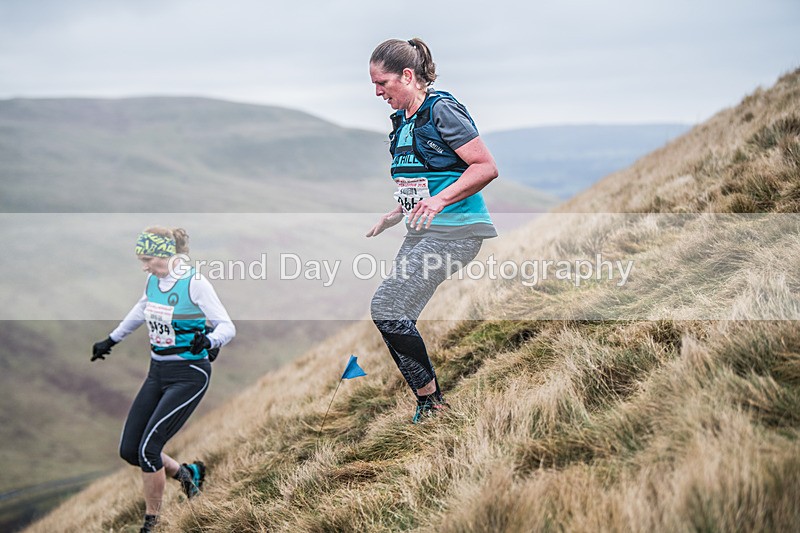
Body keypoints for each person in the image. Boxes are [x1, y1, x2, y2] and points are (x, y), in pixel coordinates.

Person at [367, 38, 498, 423]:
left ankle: (433, 403)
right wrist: (399, 210)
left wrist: (439, 202)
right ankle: (429, 403)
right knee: (394, 315)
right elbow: (426, 178)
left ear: (408, 76)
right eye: (374, 85)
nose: (378, 93)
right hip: (422, 231)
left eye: (383, 83)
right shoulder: (403, 122)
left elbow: (485, 167)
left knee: (386, 308)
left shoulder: (441, 109)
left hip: (457, 232)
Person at [91, 227, 235, 533]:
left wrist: (210, 341)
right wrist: (111, 339)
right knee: (130, 449)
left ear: (166, 254)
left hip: (189, 375)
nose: (144, 267)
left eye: (148, 259)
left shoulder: (194, 283)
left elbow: (227, 326)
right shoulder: (153, 281)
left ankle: (153, 522)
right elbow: (142, 308)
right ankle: (188, 474)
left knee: (148, 450)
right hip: (157, 372)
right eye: (142, 261)